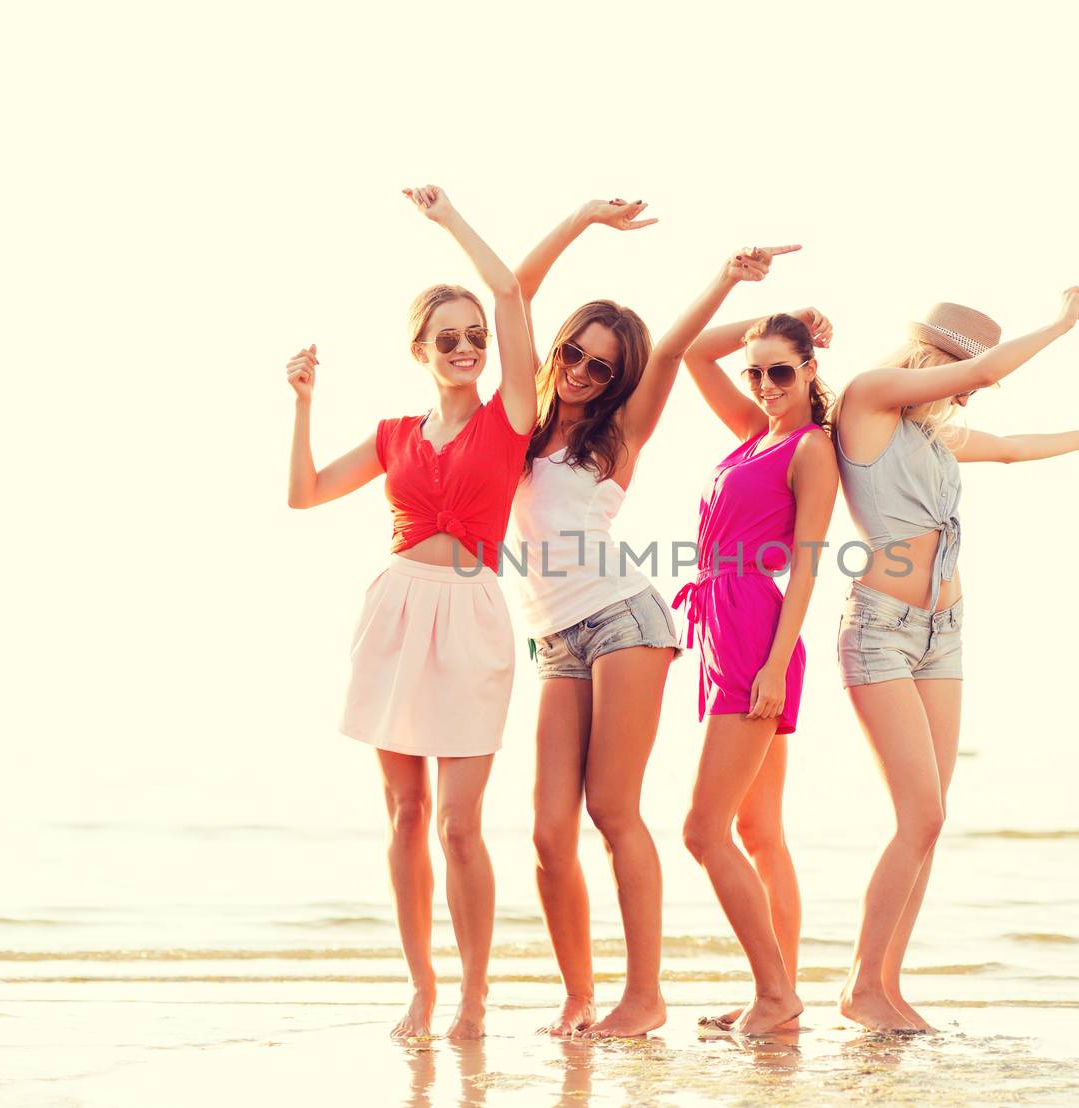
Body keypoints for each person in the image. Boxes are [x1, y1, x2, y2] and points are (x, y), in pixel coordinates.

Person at [513, 202, 795, 1039]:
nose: (579, 372)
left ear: (617, 381)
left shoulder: (619, 431)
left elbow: (671, 351)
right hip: (555, 636)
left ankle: (644, 997)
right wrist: (583, 222)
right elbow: (515, 290)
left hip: (624, 621)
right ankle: (577, 996)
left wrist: (729, 279)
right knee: (546, 829)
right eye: (573, 354)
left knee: (612, 810)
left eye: (601, 368)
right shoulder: (519, 424)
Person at [284, 185, 536, 1040]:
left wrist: (449, 219)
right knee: (405, 816)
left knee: (461, 826)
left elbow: (511, 295)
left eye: (474, 339)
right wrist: (304, 403)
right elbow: (305, 494)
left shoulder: (511, 418)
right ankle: (422, 988)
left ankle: (474, 993)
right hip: (394, 612)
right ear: (420, 350)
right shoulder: (395, 432)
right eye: (449, 340)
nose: (467, 348)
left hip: (471, 617)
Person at [831, 291, 1079, 1031]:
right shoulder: (869, 398)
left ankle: (886, 987)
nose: (963, 388)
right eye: (957, 372)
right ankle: (859, 988)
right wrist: (1059, 325)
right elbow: (987, 375)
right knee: (917, 813)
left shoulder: (930, 435)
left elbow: (1013, 447)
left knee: (931, 819)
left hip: (942, 630)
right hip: (882, 630)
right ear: (930, 358)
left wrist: (1078, 437)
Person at [675, 287, 840, 1034]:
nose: (767, 387)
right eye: (757, 375)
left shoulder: (811, 448)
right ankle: (778, 997)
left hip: (755, 634)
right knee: (758, 832)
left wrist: (774, 666)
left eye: (781, 372)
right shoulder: (752, 434)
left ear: (809, 372)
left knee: (702, 831)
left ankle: (776, 995)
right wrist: (789, 314)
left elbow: (806, 565)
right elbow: (691, 351)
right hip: (720, 627)